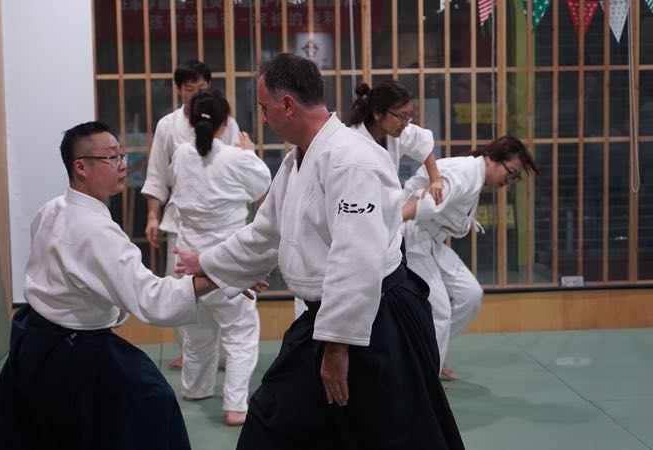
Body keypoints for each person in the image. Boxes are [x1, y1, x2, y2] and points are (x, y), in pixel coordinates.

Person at [175, 53, 464, 450]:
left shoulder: (352, 160)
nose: (263, 119)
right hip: (327, 318)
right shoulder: (298, 159)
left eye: (264, 108)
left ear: (287, 105)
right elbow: (265, 233)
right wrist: (207, 263)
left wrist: (338, 344)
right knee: (274, 421)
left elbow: (356, 258)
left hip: (376, 321)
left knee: (388, 435)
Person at [0, 121, 226, 450]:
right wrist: (221, 276)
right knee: (151, 401)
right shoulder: (93, 230)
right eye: (111, 157)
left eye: (121, 155)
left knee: (23, 431)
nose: (122, 164)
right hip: (72, 350)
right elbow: (152, 299)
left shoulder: (52, 209)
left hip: (33, 339)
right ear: (81, 167)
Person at [294, 79, 446, 319]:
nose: (407, 123)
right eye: (402, 116)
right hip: (348, 235)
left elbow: (422, 143)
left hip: (382, 235)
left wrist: (435, 178)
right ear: (377, 113)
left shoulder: (396, 133)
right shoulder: (352, 146)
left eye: (409, 116)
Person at [168, 88, 272, 426]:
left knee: (197, 333)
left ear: (189, 119)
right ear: (226, 121)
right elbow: (263, 187)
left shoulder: (181, 154)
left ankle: (195, 388)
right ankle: (236, 406)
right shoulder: (236, 158)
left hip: (186, 261)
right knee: (240, 334)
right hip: (227, 261)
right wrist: (249, 153)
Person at [401, 136, 539, 379]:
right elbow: (426, 200)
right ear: (492, 159)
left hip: (431, 240)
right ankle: (426, 379)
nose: (509, 181)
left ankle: (434, 351)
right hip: (412, 236)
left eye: (514, 177)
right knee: (440, 311)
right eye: (511, 172)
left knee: (470, 295)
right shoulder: (465, 173)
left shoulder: (473, 174)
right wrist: (389, 222)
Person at [142, 59, 242, 369]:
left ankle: (226, 354)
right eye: (189, 88)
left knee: (224, 285)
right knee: (181, 286)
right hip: (182, 218)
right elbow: (157, 174)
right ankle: (191, 353)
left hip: (222, 218)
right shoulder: (168, 125)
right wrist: (152, 216)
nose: (195, 93)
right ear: (178, 90)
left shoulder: (227, 121)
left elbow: (239, 167)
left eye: (201, 87)